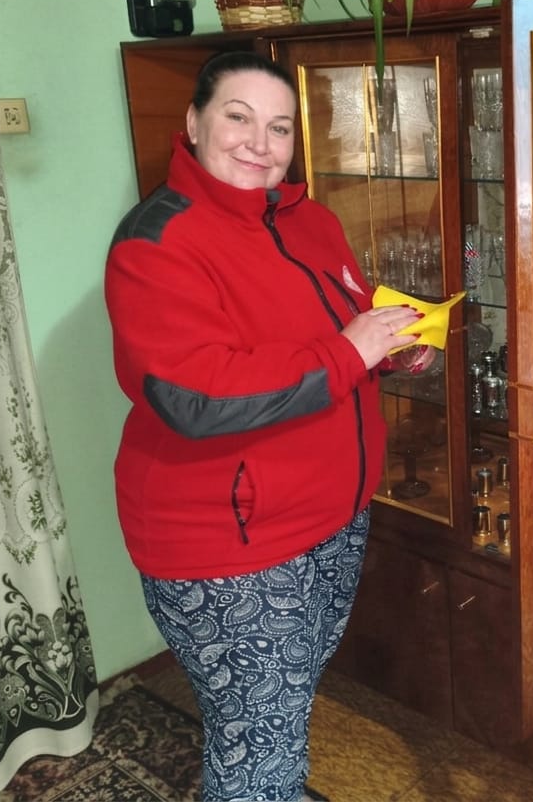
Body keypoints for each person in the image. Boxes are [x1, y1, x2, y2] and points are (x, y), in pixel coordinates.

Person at [104, 50, 429, 801]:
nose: (260, 142)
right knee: (259, 745)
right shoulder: (156, 241)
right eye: (238, 117)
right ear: (194, 123)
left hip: (328, 517)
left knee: (280, 711)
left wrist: (388, 350)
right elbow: (193, 396)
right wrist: (349, 352)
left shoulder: (311, 220)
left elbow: (342, 330)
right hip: (227, 541)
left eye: (279, 127)